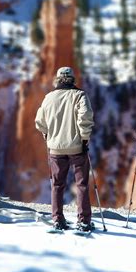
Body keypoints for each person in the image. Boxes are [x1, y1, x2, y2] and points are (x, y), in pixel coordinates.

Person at [35, 67, 95, 232]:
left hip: (55, 148)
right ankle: (83, 221)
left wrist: (47, 136)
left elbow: (39, 121)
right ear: (73, 79)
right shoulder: (79, 95)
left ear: (58, 79)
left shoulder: (49, 97)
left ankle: (57, 220)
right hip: (76, 147)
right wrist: (84, 138)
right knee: (81, 184)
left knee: (57, 184)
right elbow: (85, 117)